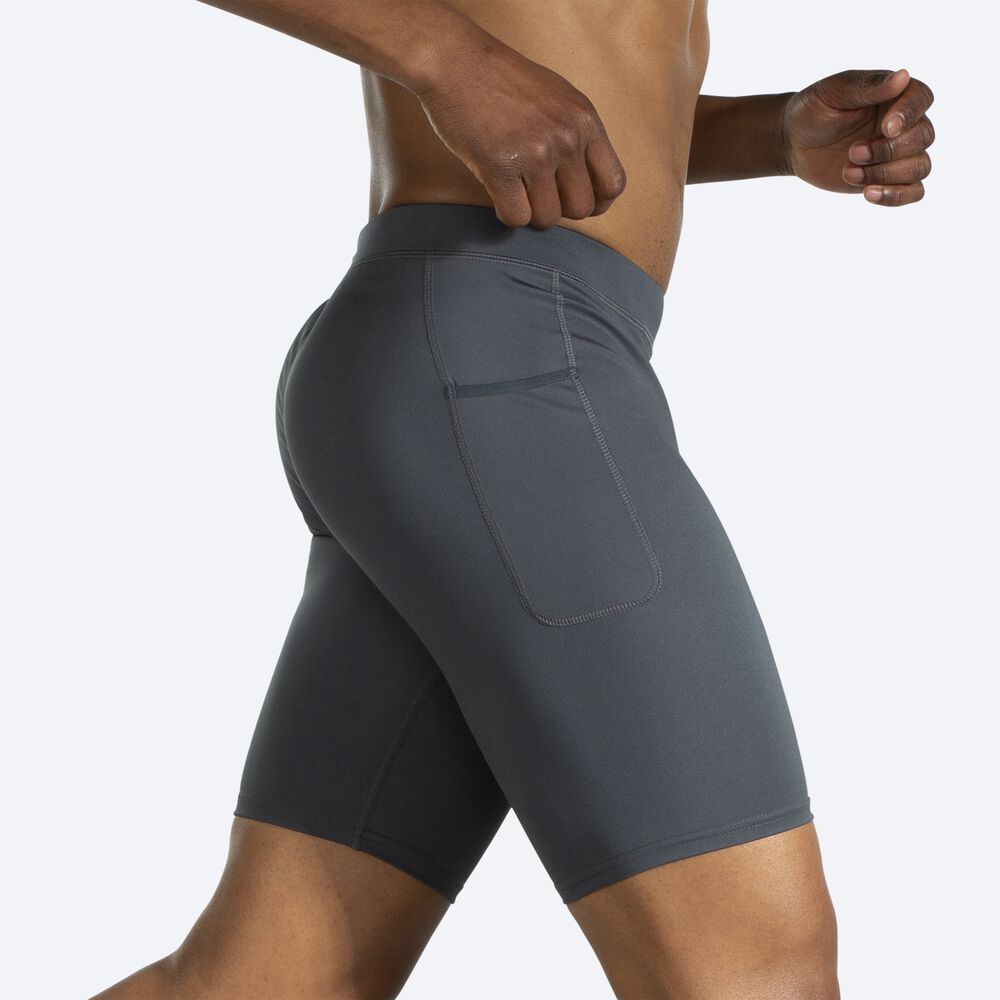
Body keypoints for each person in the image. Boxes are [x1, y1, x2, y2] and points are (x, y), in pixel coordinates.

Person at [93, 2, 935, 998]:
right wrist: (449, 58)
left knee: (259, 983)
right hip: (499, 362)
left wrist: (773, 134)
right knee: (756, 971)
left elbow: (582, 78)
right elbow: (497, 65)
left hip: (469, 367)